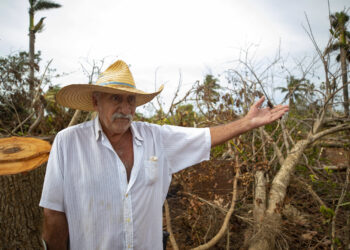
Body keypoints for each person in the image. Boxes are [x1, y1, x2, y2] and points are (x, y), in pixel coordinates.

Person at [40, 60, 288, 250]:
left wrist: (247, 123)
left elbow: (204, 137)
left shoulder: (156, 138)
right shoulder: (68, 143)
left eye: (131, 101)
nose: (125, 109)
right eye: (116, 99)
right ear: (96, 101)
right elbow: (53, 214)